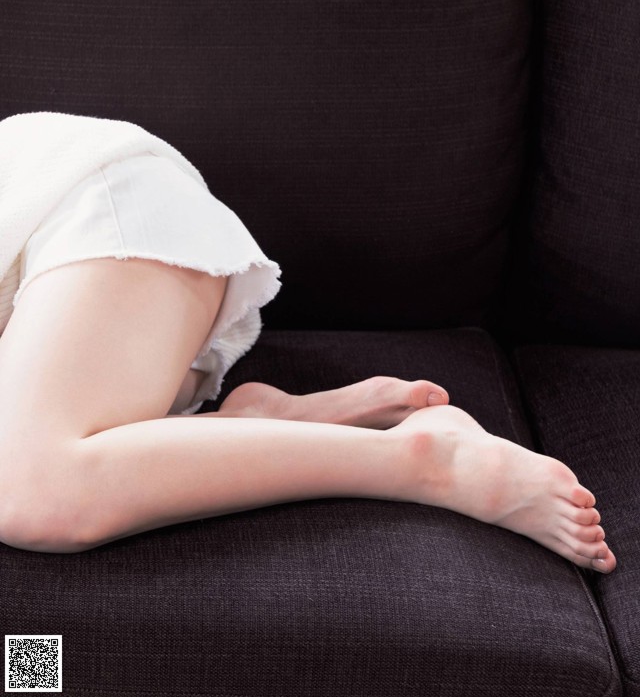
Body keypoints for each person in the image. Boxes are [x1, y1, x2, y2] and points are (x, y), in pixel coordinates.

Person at [0, 116, 617, 574]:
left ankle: (426, 460)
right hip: (72, 295)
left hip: (85, 205)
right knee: (50, 467)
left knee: (34, 491)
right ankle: (261, 423)